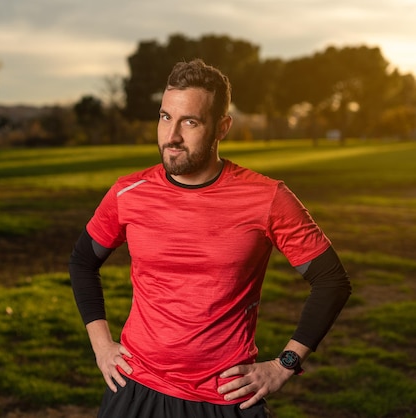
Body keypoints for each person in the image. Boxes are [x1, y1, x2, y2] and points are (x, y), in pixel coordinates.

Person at [69, 58, 351, 418]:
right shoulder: (129, 193)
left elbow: (331, 281)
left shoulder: (267, 198)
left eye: (190, 121)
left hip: (225, 398)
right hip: (135, 388)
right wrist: (102, 347)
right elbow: (82, 260)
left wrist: (284, 365)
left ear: (222, 127)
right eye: (165, 117)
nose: (171, 135)